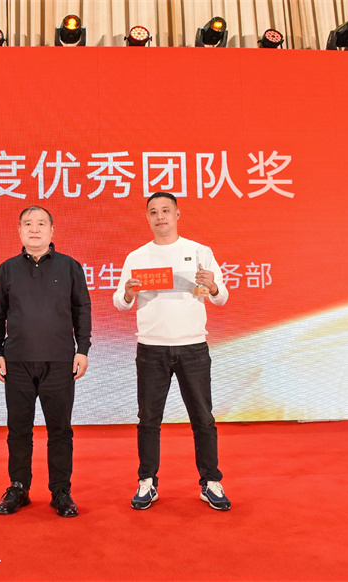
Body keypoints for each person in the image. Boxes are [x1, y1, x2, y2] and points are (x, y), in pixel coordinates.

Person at [112, 192, 231, 511]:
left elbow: (221, 297)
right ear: (147, 218)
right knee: (148, 419)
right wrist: (127, 292)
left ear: (178, 215)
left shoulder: (199, 251)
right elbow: (120, 302)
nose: (160, 216)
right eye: (153, 212)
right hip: (151, 348)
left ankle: (210, 481)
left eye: (166, 210)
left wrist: (213, 285)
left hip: (193, 346)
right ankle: (147, 482)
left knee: (203, 418)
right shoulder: (137, 257)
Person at [0, 206, 92, 518]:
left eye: (41, 223)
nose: (34, 229)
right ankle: (18, 487)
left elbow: (82, 310)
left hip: (59, 360)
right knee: (18, 429)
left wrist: (83, 349)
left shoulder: (70, 267)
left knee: (60, 430)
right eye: (28, 224)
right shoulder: (7, 269)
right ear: (19, 231)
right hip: (17, 361)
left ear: (52, 230)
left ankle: (61, 491)